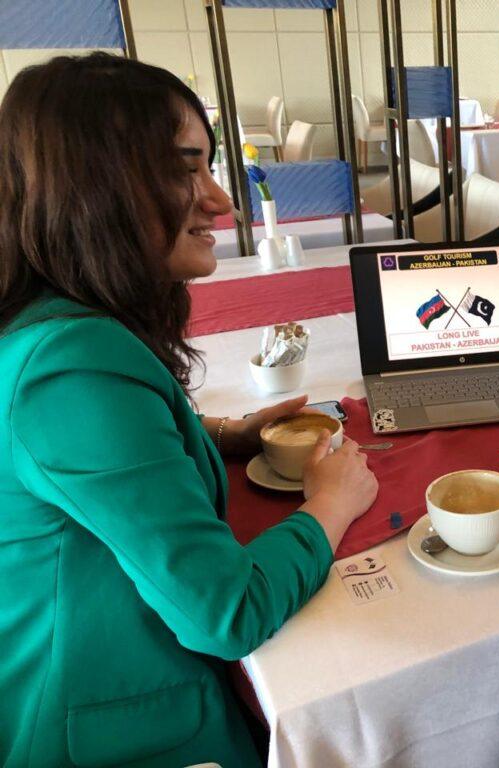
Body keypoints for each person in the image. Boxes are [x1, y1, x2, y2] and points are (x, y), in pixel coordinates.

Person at [0, 54, 377, 766]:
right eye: (185, 170)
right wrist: (330, 504)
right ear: (93, 184)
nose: (220, 201)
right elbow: (226, 614)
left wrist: (221, 435)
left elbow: (82, 459)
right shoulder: (70, 367)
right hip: (104, 730)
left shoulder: (45, 324)